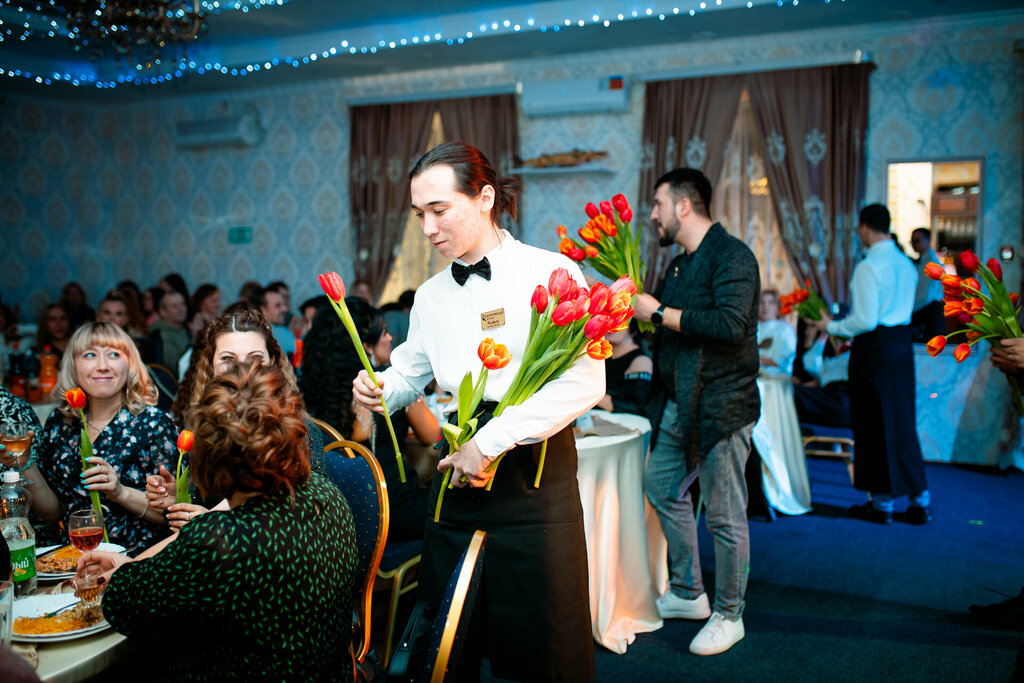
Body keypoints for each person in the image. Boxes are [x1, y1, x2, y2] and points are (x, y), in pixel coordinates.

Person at [352, 142, 603, 682]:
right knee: (448, 637)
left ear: (485, 197)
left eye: (439, 210)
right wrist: (379, 388)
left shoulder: (551, 271)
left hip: (534, 474)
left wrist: (490, 443)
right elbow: (409, 373)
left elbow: (585, 379)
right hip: (458, 477)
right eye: (419, 214)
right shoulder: (430, 296)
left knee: (547, 635)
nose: (427, 228)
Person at [75, 363, 359, 682]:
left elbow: (126, 607)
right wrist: (130, 566)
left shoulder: (221, 539)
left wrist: (122, 574)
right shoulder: (327, 494)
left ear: (210, 455)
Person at [633, 167, 760, 656]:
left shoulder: (733, 256)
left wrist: (657, 313)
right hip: (678, 403)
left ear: (683, 206)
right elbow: (671, 329)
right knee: (661, 486)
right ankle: (689, 592)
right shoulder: (679, 265)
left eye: (658, 204)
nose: (653, 214)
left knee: (725, 516)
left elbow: (730, 324)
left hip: (722, 406)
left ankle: (730, 614)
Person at [149, 308, 328, 529]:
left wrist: (210, 523)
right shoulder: (205, 426)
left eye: (255, 358)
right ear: (211, 366)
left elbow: (305, 511)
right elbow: (209, 498)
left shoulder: (300, 431)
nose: (243, 368)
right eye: (228, 359)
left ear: (272, 362)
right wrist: (181, 494)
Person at [809, 204, 930, 525]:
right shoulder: (907, 264)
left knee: (874, 425)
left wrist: (830, 326)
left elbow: (865, 320)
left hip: (875, 351)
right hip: (901, 348)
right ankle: (920, 502)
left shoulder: (869, 266)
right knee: (902, 422)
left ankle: (881, 505)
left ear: (864, 227)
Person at [9, 323, 177, 547]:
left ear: (130, 364)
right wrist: (24, 464)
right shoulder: (60, 423)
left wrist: (120, 492)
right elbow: (54, 512)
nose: (102, 366)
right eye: (90, 355)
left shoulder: (155, 424)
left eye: (114, 354)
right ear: (73, 365)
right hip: (72, 557)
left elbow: (171, 513)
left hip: (135, 557)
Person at [301, 298, 440, 542]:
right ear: (366, 346)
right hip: (391, 512)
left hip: (340, 518)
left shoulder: (317, 393)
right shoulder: (384, 388)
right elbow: (431, 433)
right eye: (384, 332)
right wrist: (408, 387)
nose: (390, 338)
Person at [792, 332, 852, 428]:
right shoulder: (827, 363)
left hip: (845, 397)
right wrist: (824, 335)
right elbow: (809, 362)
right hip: (826, 397)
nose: (841, 344)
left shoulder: (850, 359)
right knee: (790, 392)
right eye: (836, 341)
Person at [595, 321, 652, 416]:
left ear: (633, 326)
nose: (611, 326)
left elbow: (636, 407)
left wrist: (589, 393)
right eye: (608, 320)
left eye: (619, 321)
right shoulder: (600, 351)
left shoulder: (642, 361)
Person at [909, 228, 945, 341]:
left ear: (928, 241)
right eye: (912, 241)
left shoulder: (932, 263)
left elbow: (926, 295)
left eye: (917, 240)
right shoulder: (921, 262)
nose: (914, 244)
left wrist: (910, 309)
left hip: (929, 312)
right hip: (925, 310)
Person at [148, 289, 190, 371]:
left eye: (183, 304)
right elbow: (174, 368)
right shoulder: (160, 334)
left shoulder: (187, 328)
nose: (181, 308)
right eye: (174, 306)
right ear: (162, 311)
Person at [757, 289, 797, 374]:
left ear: (778, 306)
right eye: (761, 302)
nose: (766, 307)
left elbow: (779, 362)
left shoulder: (785, 330)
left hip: (775, 377)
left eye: (771, 303)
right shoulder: (752, 328)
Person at [257, 285, 295, 357]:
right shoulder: (283, 333)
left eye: (284, 304)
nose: (284, 309)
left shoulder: (254, 331)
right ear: (263, 310)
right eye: (278, 305)